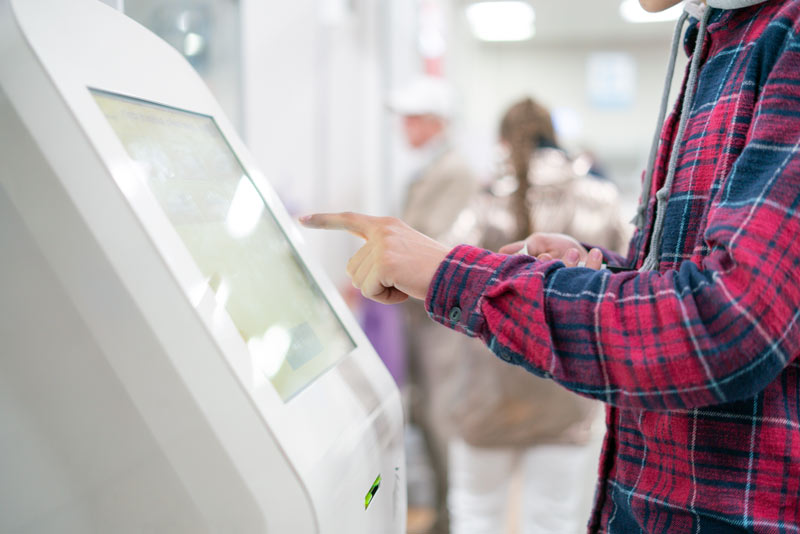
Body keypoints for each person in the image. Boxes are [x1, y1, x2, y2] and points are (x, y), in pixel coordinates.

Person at [302, 0, 800, 531]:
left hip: (708, 498)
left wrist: (452, 271)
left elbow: (725, 320)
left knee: (478, 512)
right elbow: (676, 281)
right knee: (548, 517)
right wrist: (598, 274)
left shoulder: (781, 41)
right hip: (613, 446)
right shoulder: (718, 42)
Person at [443, 97, 628, 534]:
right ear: (554, 136)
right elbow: (634, 270)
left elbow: (443, 267)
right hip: (567, 381)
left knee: (476, 515)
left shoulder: (483, 199)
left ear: (503, 141)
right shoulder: (599, 197)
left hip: (485, 391)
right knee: (555, 520)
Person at [389, 75, 480, 534]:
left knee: (442, 413)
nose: (404, 128)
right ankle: (445, 515)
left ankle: (453, 518)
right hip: (420, 313)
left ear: (433, 122)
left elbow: (437, 243)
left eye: (410, 119)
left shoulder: (455, 172)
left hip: (440, 315)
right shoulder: (430, 170)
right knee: (425, 411)